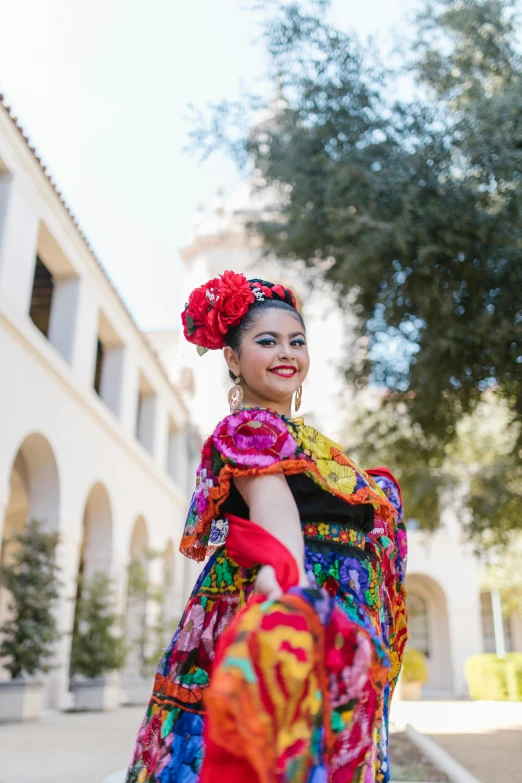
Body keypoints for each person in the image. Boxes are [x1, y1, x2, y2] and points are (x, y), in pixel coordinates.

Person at [126, 271, 407, 783]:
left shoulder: (308, 441)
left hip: (336, 609)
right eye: (267, 341)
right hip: (293, 600)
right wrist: (290, 604)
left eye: (297, 341)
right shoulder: (250, 430)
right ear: (232, 359)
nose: (287, 353)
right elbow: (277, 522)